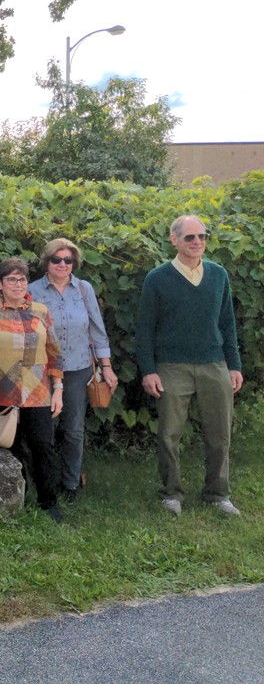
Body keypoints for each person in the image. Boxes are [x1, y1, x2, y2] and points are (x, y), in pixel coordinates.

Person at [136, 215, 243, 517]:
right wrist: (148, 370)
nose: (197, 242)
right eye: (190, 237)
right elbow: (144, 328)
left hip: (214, 364)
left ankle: (217, 494)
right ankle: (171, 493)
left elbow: (227, 323)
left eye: (202, 236)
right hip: (172, 366)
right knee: (169, 434)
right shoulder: (157, 278)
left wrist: (234, 365)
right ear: (174, 240)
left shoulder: (218, 275)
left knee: (220, 433)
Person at [0, 257, 65, 522]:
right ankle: (14, 499)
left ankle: (48, 503)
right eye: (11, 279)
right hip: (0, 392)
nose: (18, 284)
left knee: (43, 446)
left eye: (22, 279)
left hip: (37, 392)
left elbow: (55, 354)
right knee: (9, 446)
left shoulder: (41, 311)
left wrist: (58, 390)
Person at [29, 238, 119, 501]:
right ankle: (44, 482)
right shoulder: (33, 291)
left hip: (79, 369)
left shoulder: (83, 289)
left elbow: (97, 329)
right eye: (56, 259)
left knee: (74, 429)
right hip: (43, 371)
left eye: (68, 260)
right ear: (46, 262)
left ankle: (70, 485)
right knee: (45, 430)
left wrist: (106, 366)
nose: (62, 264)